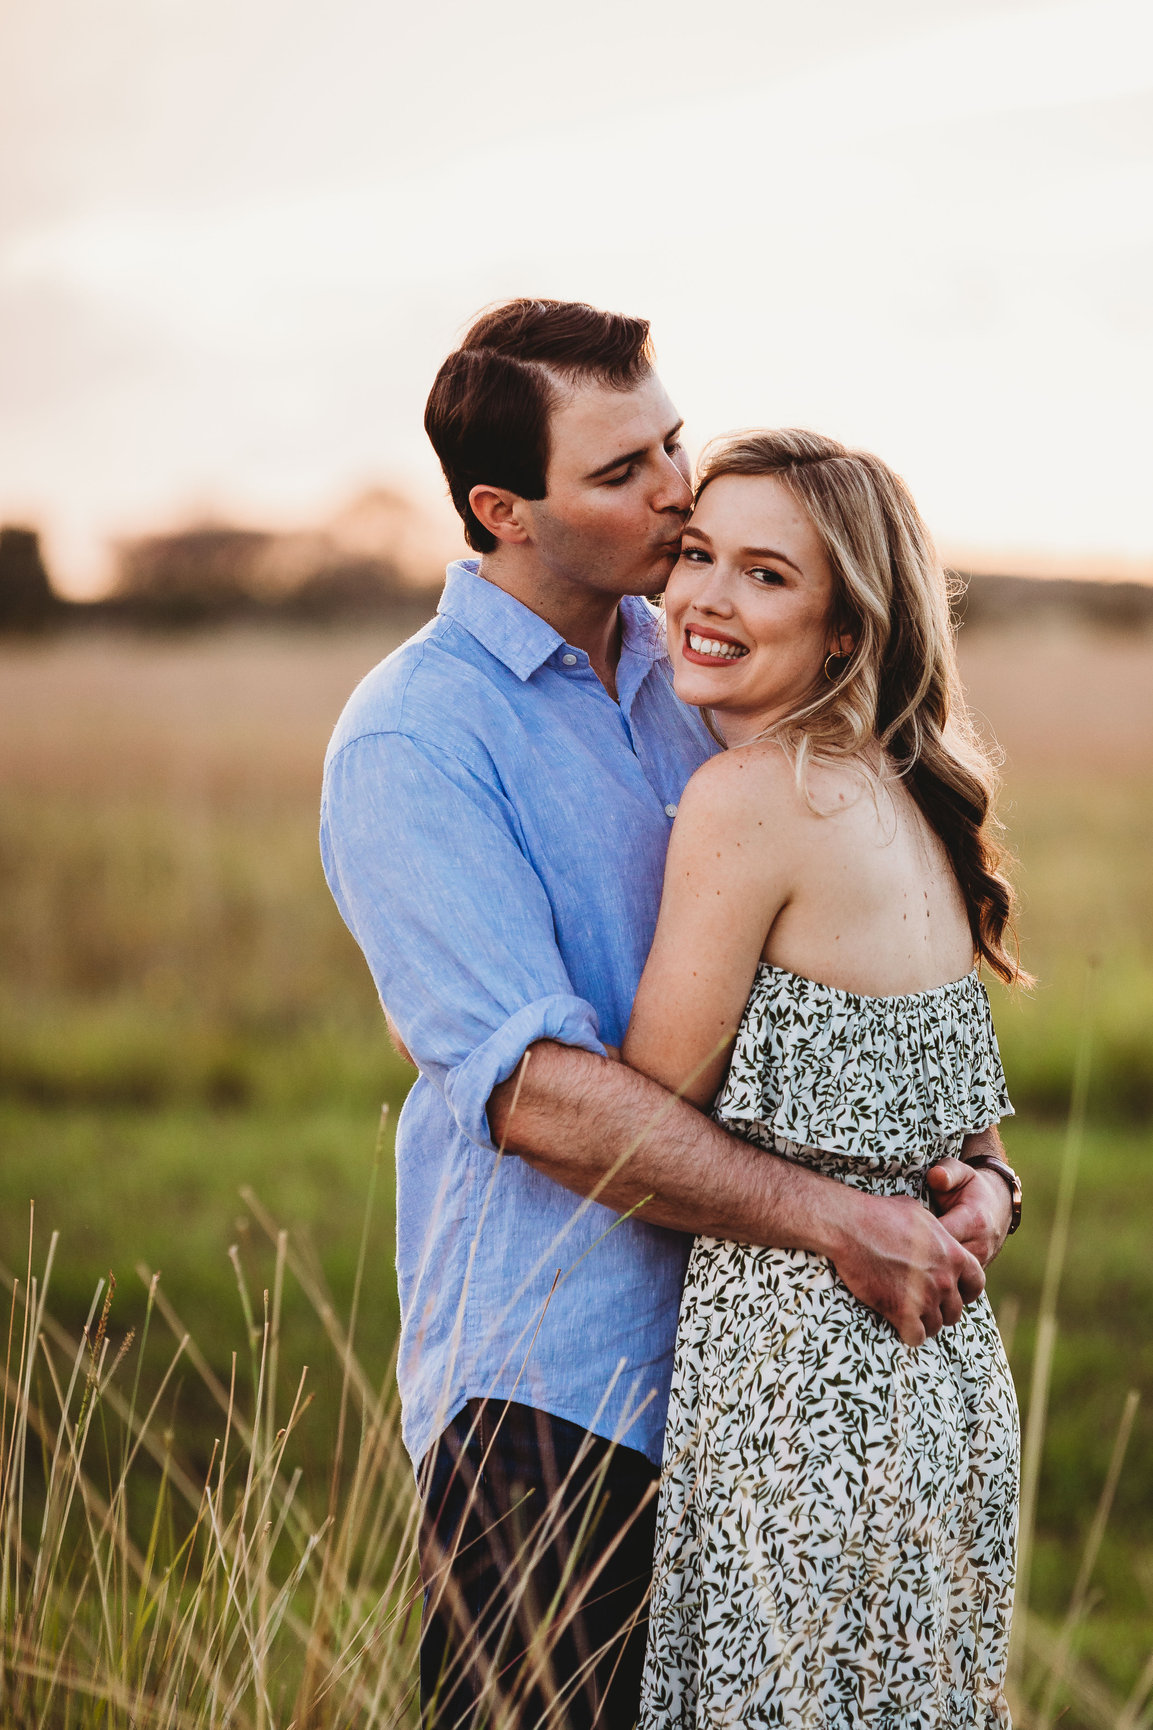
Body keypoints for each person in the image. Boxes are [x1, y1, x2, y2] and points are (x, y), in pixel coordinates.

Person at [319, 300, 1017, 1728]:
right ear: (503, 510)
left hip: (762, 1387)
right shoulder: (416, 737)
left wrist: (977, 1168)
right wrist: (843, 1214)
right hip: (553, 1387)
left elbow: (858, 965)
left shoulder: (702, 664)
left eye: (672, 443)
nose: (675, 490)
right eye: (625, 470)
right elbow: (538, 1096)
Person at [625, 429, 1023, 1728]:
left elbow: (644, 1113)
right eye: (694, 555)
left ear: (846, 628)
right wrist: (993, 1192)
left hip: (799, 1387)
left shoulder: (746, 796)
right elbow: (973, 1139)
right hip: (945, 1385)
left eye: (764, 575)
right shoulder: (905, 797)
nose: (704, 597)